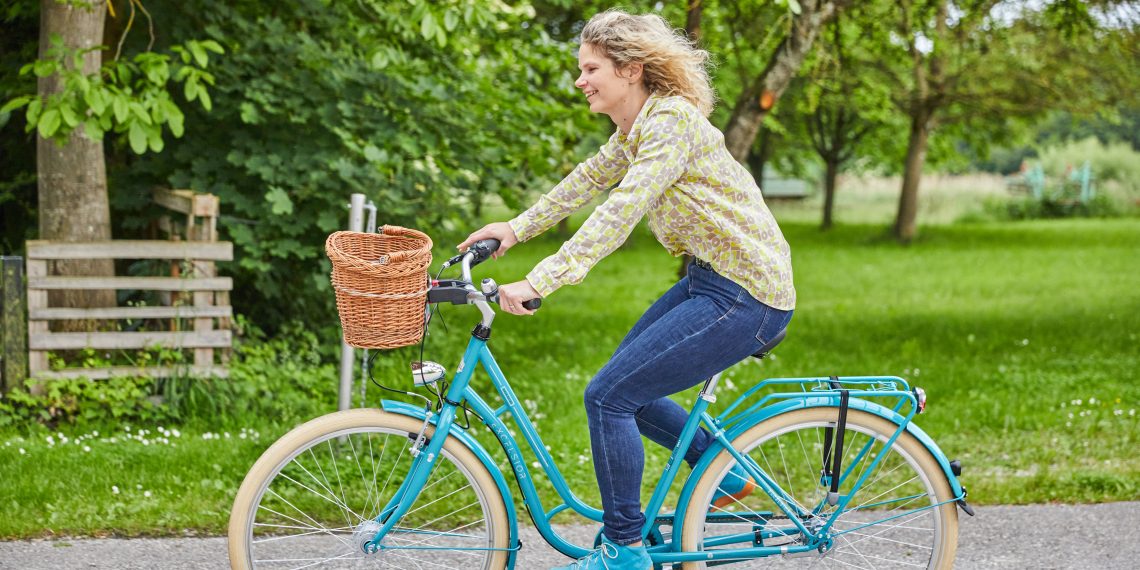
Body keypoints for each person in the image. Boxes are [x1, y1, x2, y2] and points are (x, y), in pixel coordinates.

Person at [457, 9, 795, 570]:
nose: (580, 80)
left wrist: (543, 280)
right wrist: (515, 229)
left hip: (747, 295)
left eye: (591, 68)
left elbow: (622, 209)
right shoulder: (636, 128)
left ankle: (625, 548)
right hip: (711, 281)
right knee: (622, 389)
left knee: (610, 396)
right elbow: (588, 180)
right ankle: (721, 470)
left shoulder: (672, 124)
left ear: (631, 70)